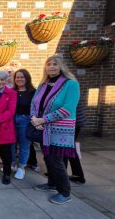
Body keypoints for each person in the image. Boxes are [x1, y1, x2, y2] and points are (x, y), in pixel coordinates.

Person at [32, 54, 80, 205]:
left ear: (61, 67)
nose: (51, 66)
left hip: (60, 129)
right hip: (43, 128)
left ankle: (65, 192)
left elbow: (68, 108)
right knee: (47, 158)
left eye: (55, 64)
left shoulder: (70, 84)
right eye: (49, 64)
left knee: (56, 160)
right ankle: (51, 183)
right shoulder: (43, 84)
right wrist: (34, 120)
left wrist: (43, 119)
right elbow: (34, 103)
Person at [11, 69, 36, 180]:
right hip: (11, 119)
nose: (19, 79)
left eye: (22, 77)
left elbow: (36, 108)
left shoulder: (33, 92)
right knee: (11, 144)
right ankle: (12, 164)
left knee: (24, 145)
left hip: (25, 120)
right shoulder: (11, 91)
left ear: (27, 78)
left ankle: (21, 168)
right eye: (17, 77)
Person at [65, 102, 86, 184]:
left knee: (66, 149)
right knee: (69, 149)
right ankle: (78, 175)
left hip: (72, 123)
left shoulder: (69, 89)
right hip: (74, 122)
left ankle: (61, 174)